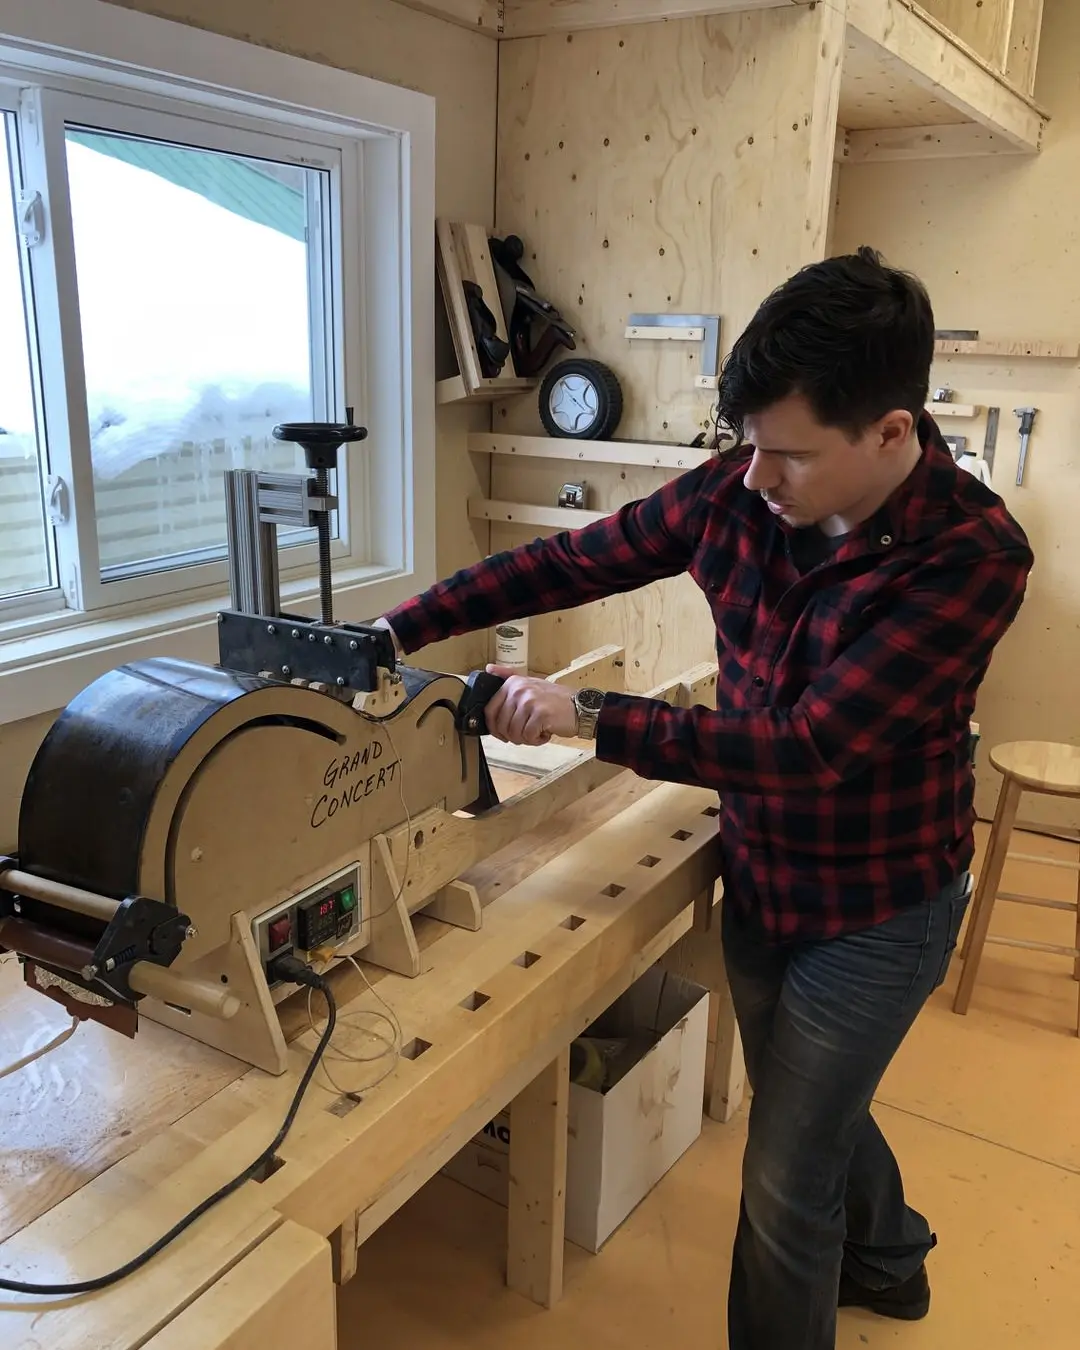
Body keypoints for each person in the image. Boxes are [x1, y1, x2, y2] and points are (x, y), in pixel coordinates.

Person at [375, 246, 1034, 1349]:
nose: (757, 476)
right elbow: (575, 562)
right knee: (806, 1110)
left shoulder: (971, 557)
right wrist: (401, 626)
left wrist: (588, 715)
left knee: (783, 1182)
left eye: (790, 453)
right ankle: (891, 1260)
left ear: (891, 432)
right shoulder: (744, 488)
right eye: (748, 444)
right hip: (764, 868)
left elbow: (811, 745)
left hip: (879, 905)